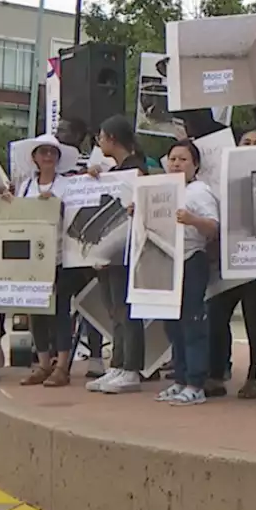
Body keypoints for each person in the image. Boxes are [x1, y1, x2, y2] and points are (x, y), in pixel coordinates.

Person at [85, 115, 151, 394]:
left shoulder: (136, 170)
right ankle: (118, 363)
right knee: (113, 310)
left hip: (126, 249)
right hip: (109, 251)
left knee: (126, 310)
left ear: (111, 138)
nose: (99, 143)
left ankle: (131, 368)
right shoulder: (115, 170)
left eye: (101, 137)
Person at [9, 134, 80, 387]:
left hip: (60, 256)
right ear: (35, 158)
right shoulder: (25, 187)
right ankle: (43, 363)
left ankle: (61, 366)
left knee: (61, 310)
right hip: (32, 259)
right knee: (36, 311)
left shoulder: (68, 186)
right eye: (43, 152)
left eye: (52, 152)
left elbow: (76, 215)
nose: (48, 157)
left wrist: (57, 207)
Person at [154, 140, 220, 406]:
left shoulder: (199, 192)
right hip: (167, 261)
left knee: (192, 323)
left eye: (183, 159)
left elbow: (213, 227)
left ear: (195, 165)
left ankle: (196, 383)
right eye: (172, 159)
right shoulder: (163, 191)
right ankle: (180, 379)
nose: (176, 164)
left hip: (191, 261)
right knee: (173, 324)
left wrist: (193, 220)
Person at [205, 130, 256, 399]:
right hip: (225, 261)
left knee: (255, 322)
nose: (252, 146)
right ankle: (216, 374)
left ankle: (255, 377)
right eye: (247, 141)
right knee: (216, 318)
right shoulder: (217, 178)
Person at [54, 114, 105, 377]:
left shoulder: (93, 164)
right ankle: (58, 357)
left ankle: (96, 356)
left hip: (86, 248)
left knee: (91, 301)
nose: (58, 134)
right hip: (59, 251)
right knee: (60, 304)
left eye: (64, 130)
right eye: (57, 129)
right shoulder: (49, 167)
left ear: (78, 136)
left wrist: (94, 177)